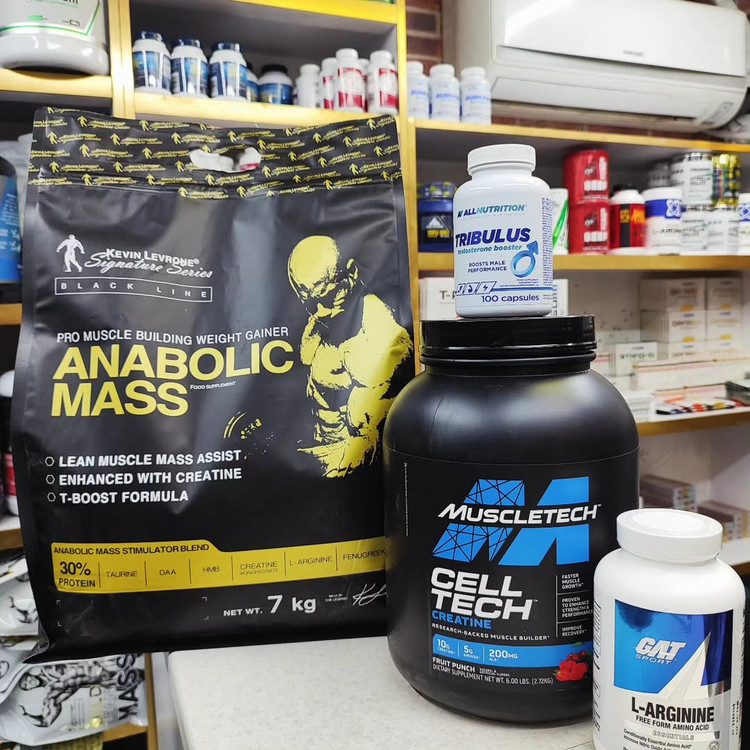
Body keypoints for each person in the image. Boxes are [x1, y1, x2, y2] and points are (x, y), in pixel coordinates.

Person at [288, 235, 412, 478]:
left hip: (353, 468)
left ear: (352, 272)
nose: (318, 310)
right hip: (319, 454)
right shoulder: (321, 319)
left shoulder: (377, 331)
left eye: (326, 294)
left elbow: (367, 436)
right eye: (309, 300)